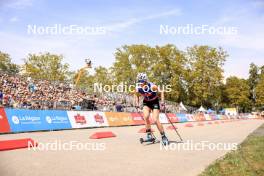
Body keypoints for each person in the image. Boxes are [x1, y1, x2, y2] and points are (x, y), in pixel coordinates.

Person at [134, 73, 169, 145]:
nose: (140, 84)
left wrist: (162, 102)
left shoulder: (152, 86)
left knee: (155, 119)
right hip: (146, 103)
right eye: (139, 82)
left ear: (145, 81)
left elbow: (161, 91)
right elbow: (136, 95)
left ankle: (163, 136)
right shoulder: (138, 87)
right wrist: (137, 104)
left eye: (142, 82)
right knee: (146, 117)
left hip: (154, 102)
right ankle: (149, 134)